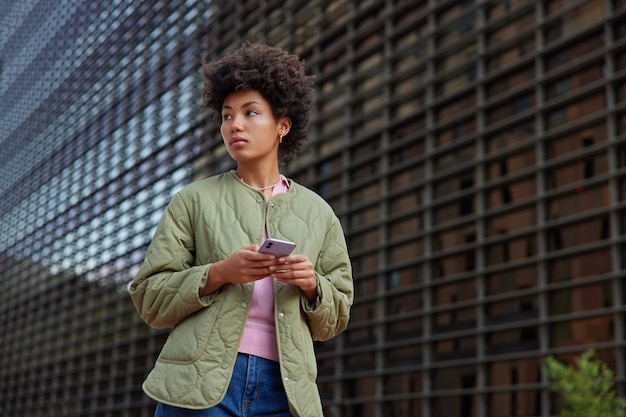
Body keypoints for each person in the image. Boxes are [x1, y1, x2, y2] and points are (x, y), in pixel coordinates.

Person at [129, 41, 354, 417]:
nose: (234, 124)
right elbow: (150, 299)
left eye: (251, 113)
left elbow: (337, 316)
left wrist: (313, 284)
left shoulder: (320, 213)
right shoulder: (193, 200)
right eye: (226, 115)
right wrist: (219, 273)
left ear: (283, 125)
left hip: (285, 392)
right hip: (199, 384)